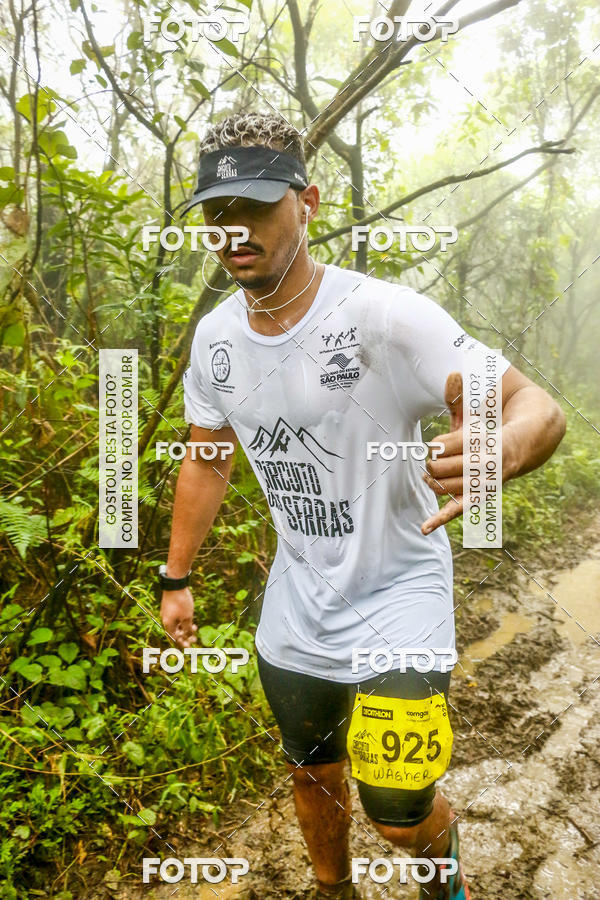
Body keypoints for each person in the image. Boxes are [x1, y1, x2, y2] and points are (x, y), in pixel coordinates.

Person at [159, 113, 566, 899]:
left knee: (397, 807)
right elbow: (207, 460)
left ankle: (445, 882)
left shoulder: (382, 316)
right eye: (215, 213)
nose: (231, 230)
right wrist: (177, 577)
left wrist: (503, 449)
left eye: (253, 207)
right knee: (312, 777)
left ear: (307, 202)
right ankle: (332, 890)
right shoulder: (214, 340)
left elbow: (532, 407)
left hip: (399, 596)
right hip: (297, 605)